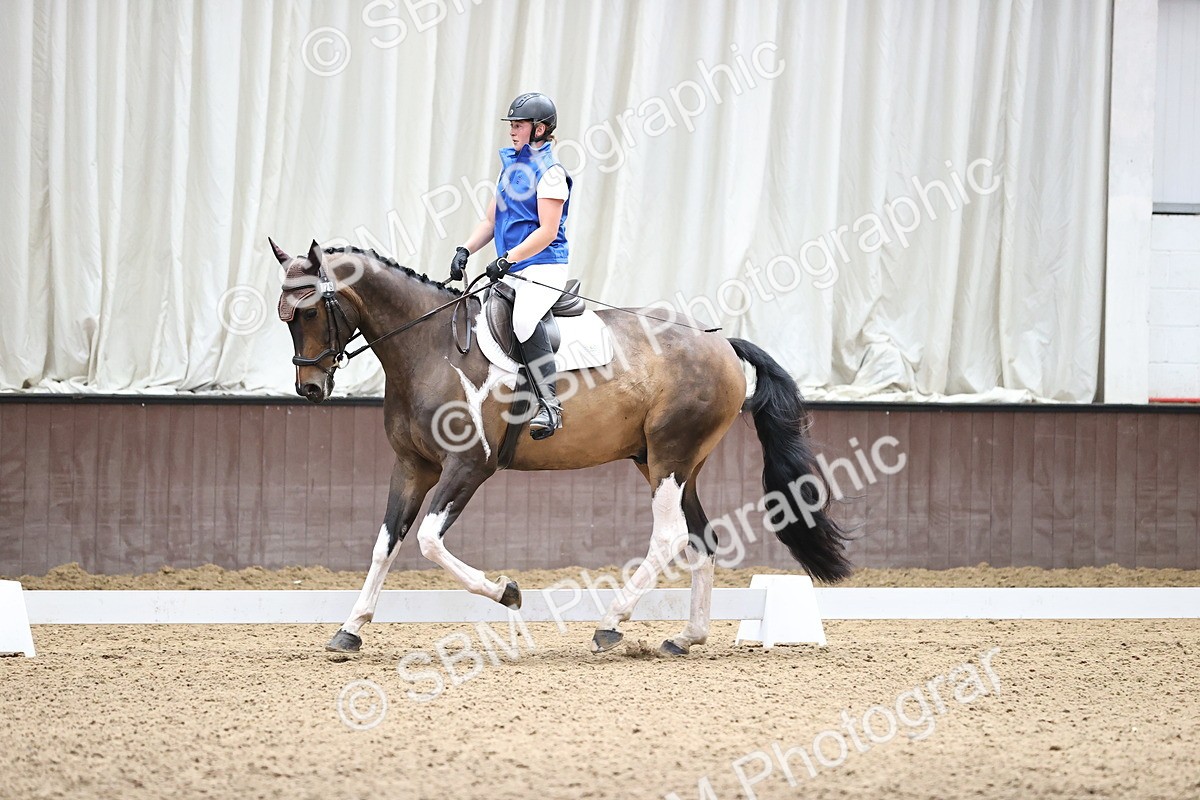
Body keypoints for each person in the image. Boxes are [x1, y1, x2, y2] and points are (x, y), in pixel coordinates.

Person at [450, 92, 572, 440]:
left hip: (544, 265)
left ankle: (550, 405)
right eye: (512, 125)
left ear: (540, 130)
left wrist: (507, 259)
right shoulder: (512, 169)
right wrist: (466, 249)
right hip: (513, 266)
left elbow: (548, 231)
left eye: (518, 125)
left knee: (521, 321)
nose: (512, 131)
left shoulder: (550, 174)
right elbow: (490, 222)